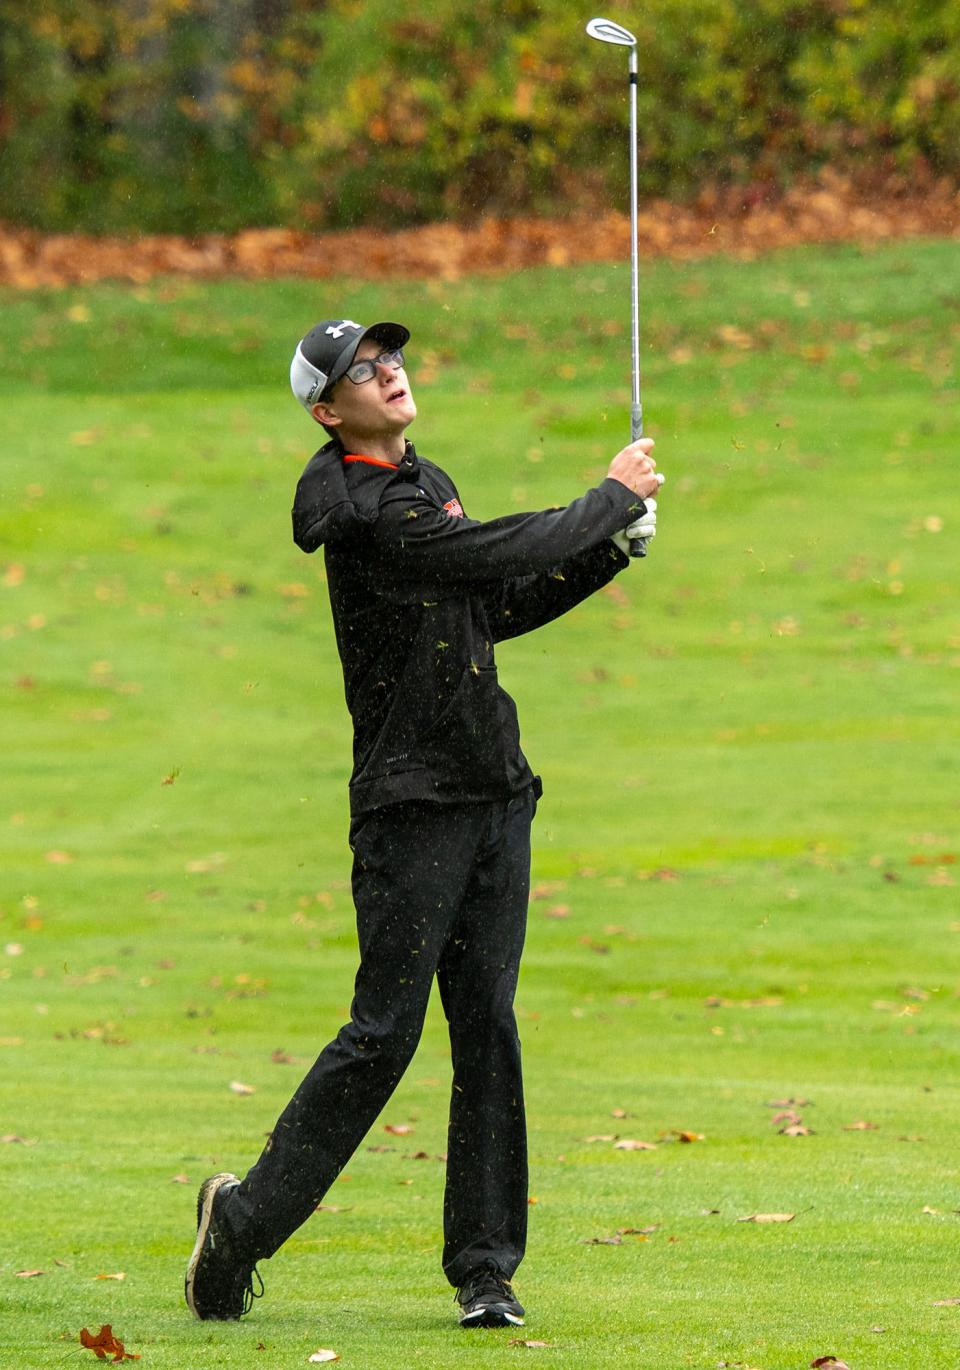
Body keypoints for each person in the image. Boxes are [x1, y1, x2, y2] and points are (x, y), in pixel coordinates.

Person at [184, 317, 663, 1329]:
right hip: (411, 808)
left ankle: (485, 1269)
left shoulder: (423, 479)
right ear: (328, 409)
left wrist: (607, 553)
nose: (389, 373)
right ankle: (243, 1220)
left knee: (486, 1025)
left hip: (494, 789)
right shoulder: (363, 511)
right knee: (385, 1033)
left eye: (391, 358)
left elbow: (493, 600)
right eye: (364, 370)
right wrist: (609, 496)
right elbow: (490, 548)